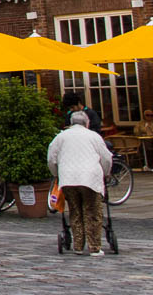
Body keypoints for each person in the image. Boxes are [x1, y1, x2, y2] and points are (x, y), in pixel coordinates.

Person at [48, 110, 112, 256]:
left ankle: (78, 246)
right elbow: (106, 158)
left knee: (75, 211)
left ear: (71, 123)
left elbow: (51, 158)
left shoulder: (61, 137)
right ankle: (94, 247)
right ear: (87, 123)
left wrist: (56, 174)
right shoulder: (93, 136)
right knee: (92, 212)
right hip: (90, 178)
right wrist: (106, 173)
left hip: (68, 179)